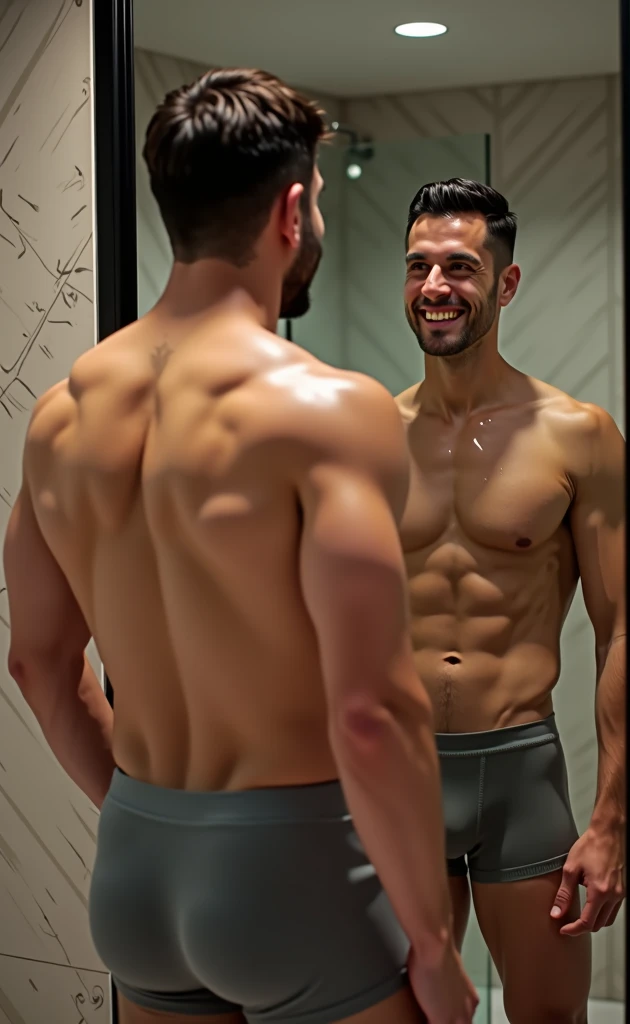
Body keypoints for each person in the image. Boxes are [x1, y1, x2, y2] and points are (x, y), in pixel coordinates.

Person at [3, 72, 478, 1024]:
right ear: (293, 210)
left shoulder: (61, 417)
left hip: (136, 865)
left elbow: (40, 666)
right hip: (292, 869)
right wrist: (431, 945)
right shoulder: (326, 409)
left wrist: (158, 829)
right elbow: (372, 710)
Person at [396, 178, 630, 1024]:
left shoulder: (577, 434)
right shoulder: (366, 433)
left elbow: (623, 632)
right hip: (399, 770)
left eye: (459, 268)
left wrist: (611, 820)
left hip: (520, 772)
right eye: (419, 267)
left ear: (504, 284)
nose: (435, 287)